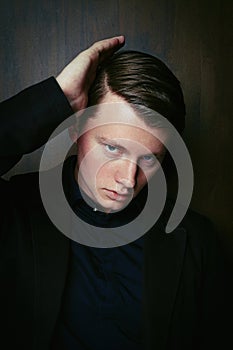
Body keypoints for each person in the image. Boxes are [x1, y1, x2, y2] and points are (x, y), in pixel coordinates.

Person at [0, 36, 232, 350]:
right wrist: (56, 98)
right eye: (112, 148)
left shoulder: (198, 242)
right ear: (75, 129)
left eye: (149, 158)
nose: (127, 179)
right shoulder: (15, 210)